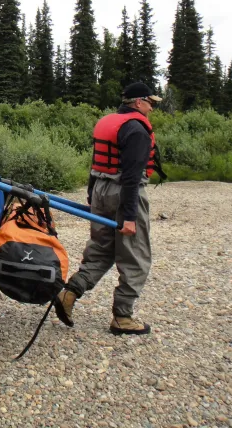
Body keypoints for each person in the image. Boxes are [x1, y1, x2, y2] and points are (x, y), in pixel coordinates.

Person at [55, 82, 166, 335]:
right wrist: (129, 217)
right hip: (125, 195)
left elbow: (96, 164)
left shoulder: (108, 122)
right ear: (138, 102)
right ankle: (122, 317)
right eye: (150, 102)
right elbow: (131, 177)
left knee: (102, 250)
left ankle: (69, 294)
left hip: (101, 191)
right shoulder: (137, 129)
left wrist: (92, 197)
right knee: (136, 257)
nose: (152, 108)